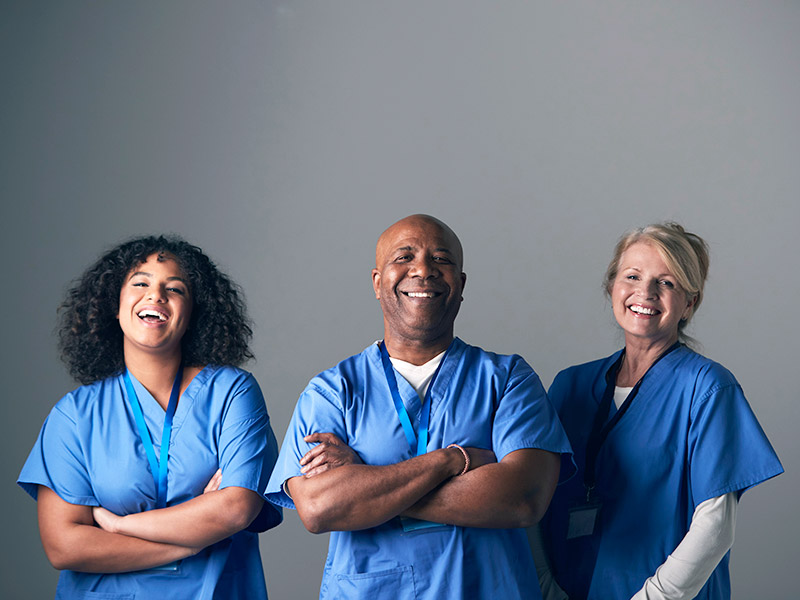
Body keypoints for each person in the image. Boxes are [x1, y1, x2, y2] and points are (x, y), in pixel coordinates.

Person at [265, 214, 573, 600]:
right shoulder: (333, 391)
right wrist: (450, 461)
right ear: (378, 283)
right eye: (404, 257)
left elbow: (523, 498)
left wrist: (364, 484)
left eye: (441, 259)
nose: (423, 270)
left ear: (460, 285)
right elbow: (320, 508)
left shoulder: (507, 379)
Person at [18, 235, 282, 599]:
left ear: (193, 314)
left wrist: (118, 525)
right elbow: (65, 546)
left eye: (175, 289)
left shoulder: (231, 393)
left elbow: (236, 509)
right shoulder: (75, 415)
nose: (156, 296)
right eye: (140, 283)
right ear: (115, 304)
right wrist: (190, 543)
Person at [538, 223, 783, 600]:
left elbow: (715, 526)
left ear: (689, 303)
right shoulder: (569, 387)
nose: (645, 292)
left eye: (666, 283)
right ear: (612, 287)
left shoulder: (708, 388)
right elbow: (530, 496)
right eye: (632, 276)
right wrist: (546, 588)